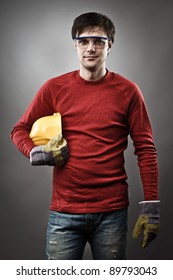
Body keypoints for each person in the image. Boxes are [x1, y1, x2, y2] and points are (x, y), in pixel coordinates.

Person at [10, 12, 160, 260]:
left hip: (112, 212)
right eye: (84, 41)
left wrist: (152, 208)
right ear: (75, 45)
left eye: (99, 41)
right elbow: (19, 130)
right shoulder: (54, 88)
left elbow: (145, 149)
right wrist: (37, 153)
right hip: (64, 213)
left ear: (110, 45)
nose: (91, 48)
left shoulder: (128, 91)